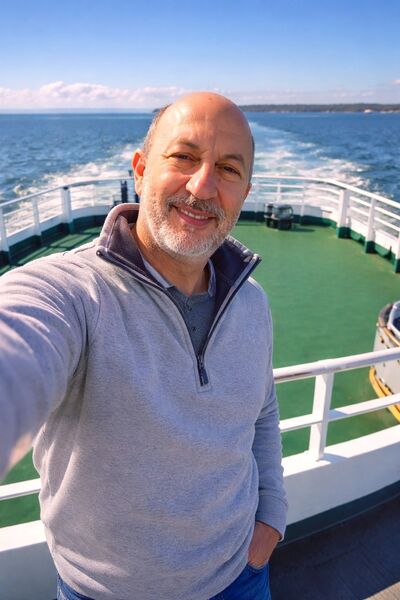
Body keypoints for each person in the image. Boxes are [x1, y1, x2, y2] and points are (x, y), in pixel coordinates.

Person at [0, 92, 287, 600]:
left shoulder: (252, 301)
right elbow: (18, 346)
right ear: (140, 169)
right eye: (184, 157)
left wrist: (272, 515)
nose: (202, 186)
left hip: (241, 576)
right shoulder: (71, 294)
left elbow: (261, 409)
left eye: (227, 169)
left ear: (245, 192)